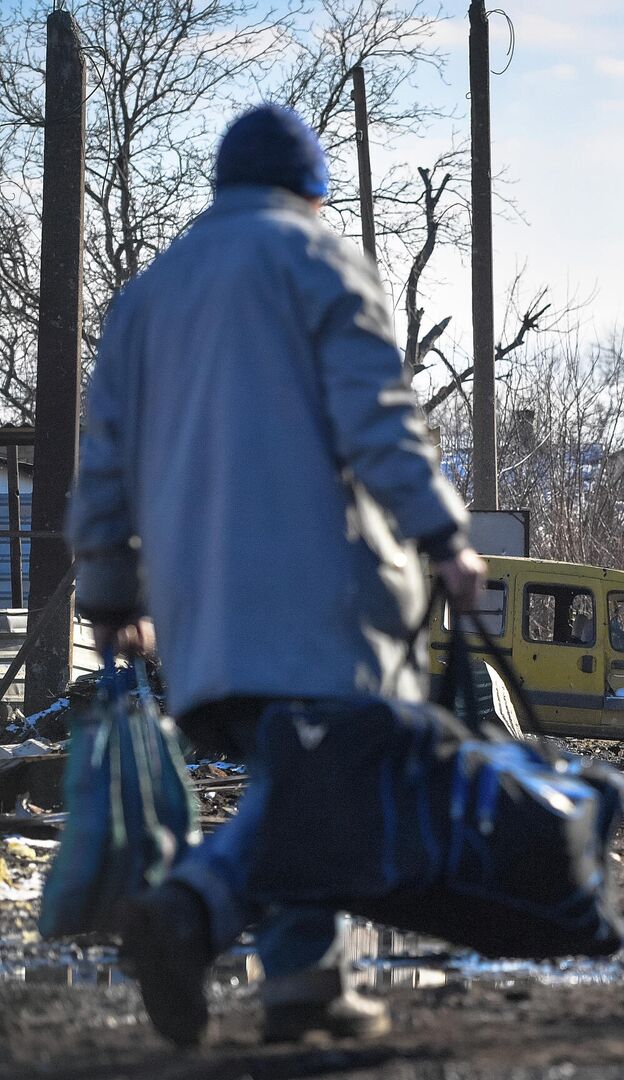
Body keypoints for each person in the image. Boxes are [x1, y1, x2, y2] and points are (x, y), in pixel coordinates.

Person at [68, 105, 486, 1048]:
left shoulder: (149, 296)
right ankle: (193, 910)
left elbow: (103, 462)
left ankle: (306, 985)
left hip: (199, 611)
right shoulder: (317, 261)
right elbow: (377, 418)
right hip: (320, 597)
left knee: (296, 783)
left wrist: (109, 589)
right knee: (327, 785)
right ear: (313, 191)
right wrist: (442, 535)